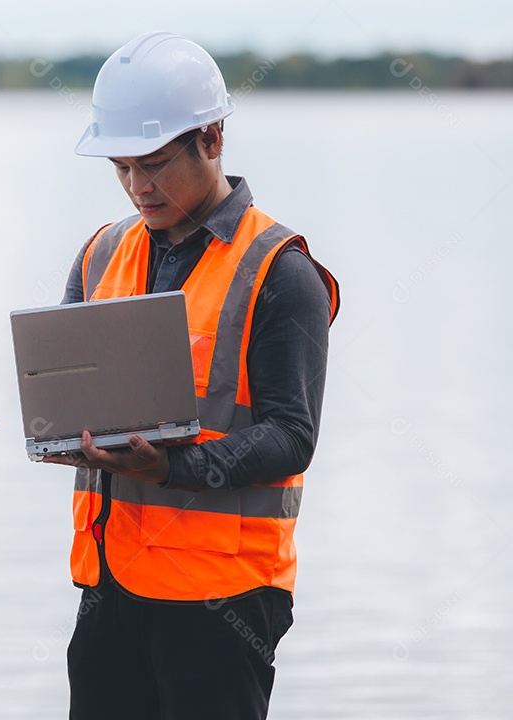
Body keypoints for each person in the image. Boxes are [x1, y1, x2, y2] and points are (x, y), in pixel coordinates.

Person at [43, 32, 341, 719]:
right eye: (121, 167)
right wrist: (60, 437)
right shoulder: (100, 252)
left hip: (223, 600)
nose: (138, 186)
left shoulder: (279, 269)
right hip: (108, 587)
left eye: (153, 165)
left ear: (211, 138)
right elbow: (65, 393)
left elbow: (292, 436)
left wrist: (172, 466)